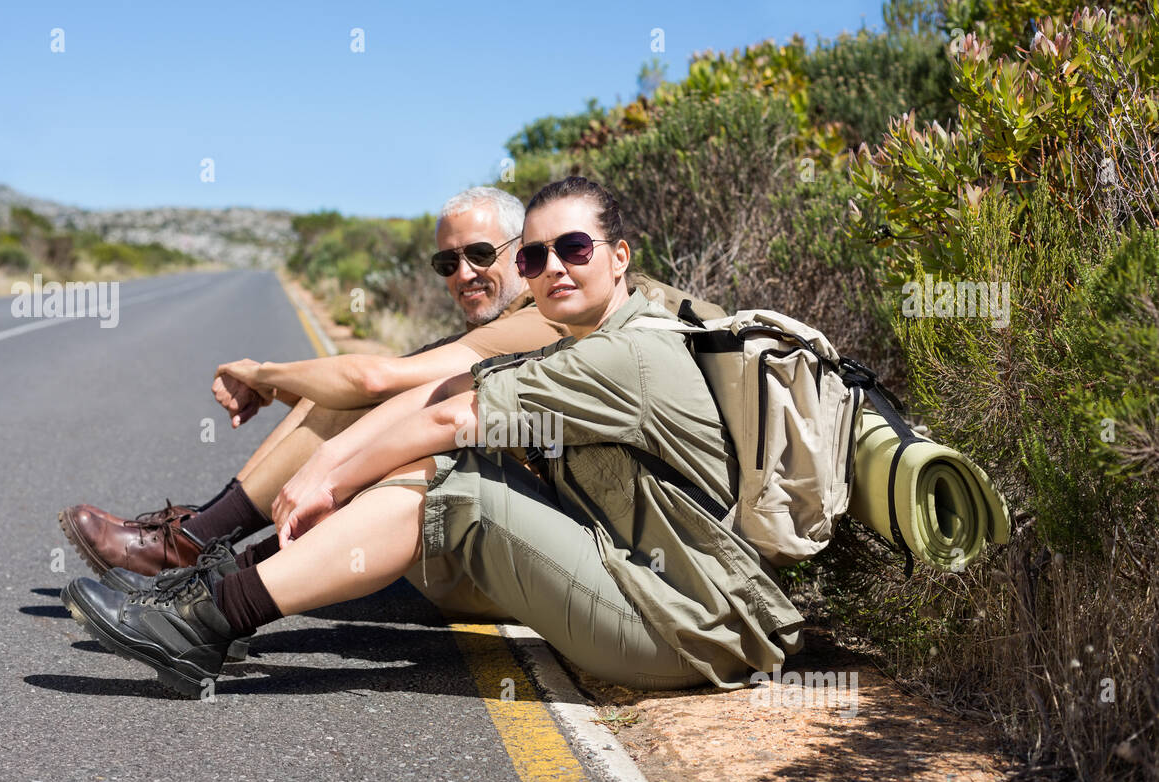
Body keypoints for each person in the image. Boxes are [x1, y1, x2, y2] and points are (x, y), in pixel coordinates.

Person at [62, 177, 805, 697]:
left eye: (569, 250)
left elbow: (433, 407)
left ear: (620, 257)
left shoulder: (611, 343)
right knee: (416, 428)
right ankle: (211, 588)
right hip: (641, 581)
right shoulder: (584, 328)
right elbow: (428, 394)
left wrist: (320, 457)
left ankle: (206, 597)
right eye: (534, 258)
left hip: (691, 625)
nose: (547, 270)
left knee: (438, 476)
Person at [58, 186, 567, 584]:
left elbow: (373, 379)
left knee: (361, 400)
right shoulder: (503, 324)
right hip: (488, 526)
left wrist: (262, 374)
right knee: (337, 393)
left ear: (520, 252)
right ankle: (204, 564)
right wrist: (285, 390)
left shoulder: (538, 322)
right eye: (446, 263)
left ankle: (194, 554)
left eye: (479, 254)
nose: (463, 273)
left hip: (521, 552)